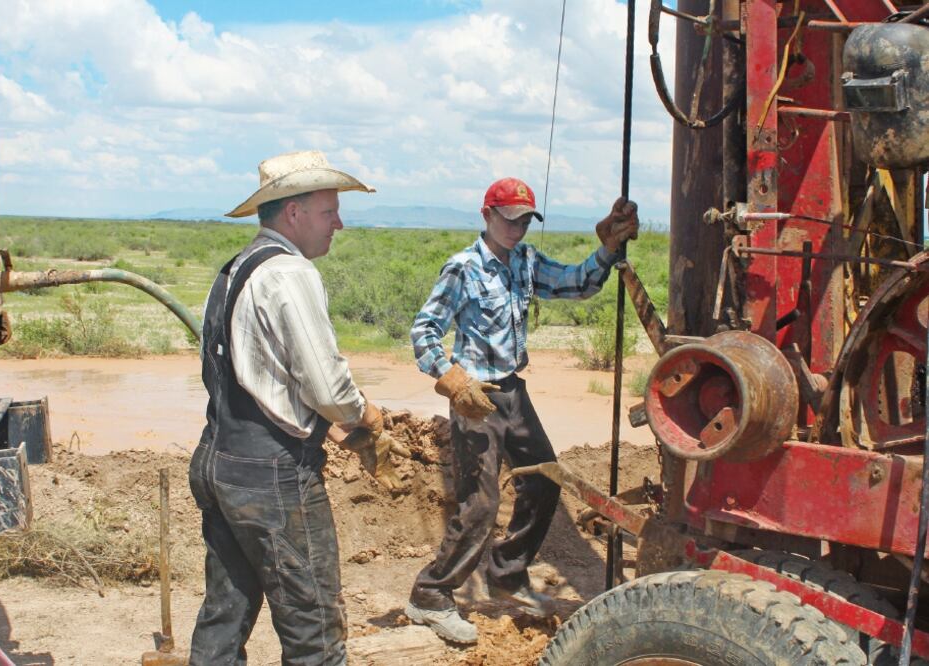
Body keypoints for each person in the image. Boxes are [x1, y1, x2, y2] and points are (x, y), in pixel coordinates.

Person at [404, 177, 639, 644]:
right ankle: (430, 595)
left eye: (526, 221)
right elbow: (424, 331)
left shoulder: (527, 262)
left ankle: (508, 574)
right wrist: (452, 378)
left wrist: (608, 251)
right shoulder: (463, 267)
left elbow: (575, 284)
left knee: (543, 479)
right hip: (476, 397)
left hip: (512, 391)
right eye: (510, 220)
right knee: (481, 504)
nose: (517, 229)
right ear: (487, 215)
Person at [188, 150, 397, 665]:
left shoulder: (236, 267)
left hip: (219, 461)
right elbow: (326, 386)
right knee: (315, 629)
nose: (339, 224)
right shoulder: (289, 273)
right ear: (294, 213)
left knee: (224, 615)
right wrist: (362, 416)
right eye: (329, 212)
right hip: (272, 477)